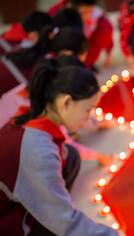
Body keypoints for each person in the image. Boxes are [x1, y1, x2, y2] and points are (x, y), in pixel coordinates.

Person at [0, 60, 118, 235]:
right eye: (88, 110)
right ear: (66, 102)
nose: (89, 117)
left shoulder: (32, 117)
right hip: (6, 221)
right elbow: (67, 223)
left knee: (70, 156)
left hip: (16, 198)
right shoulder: (37, 151)